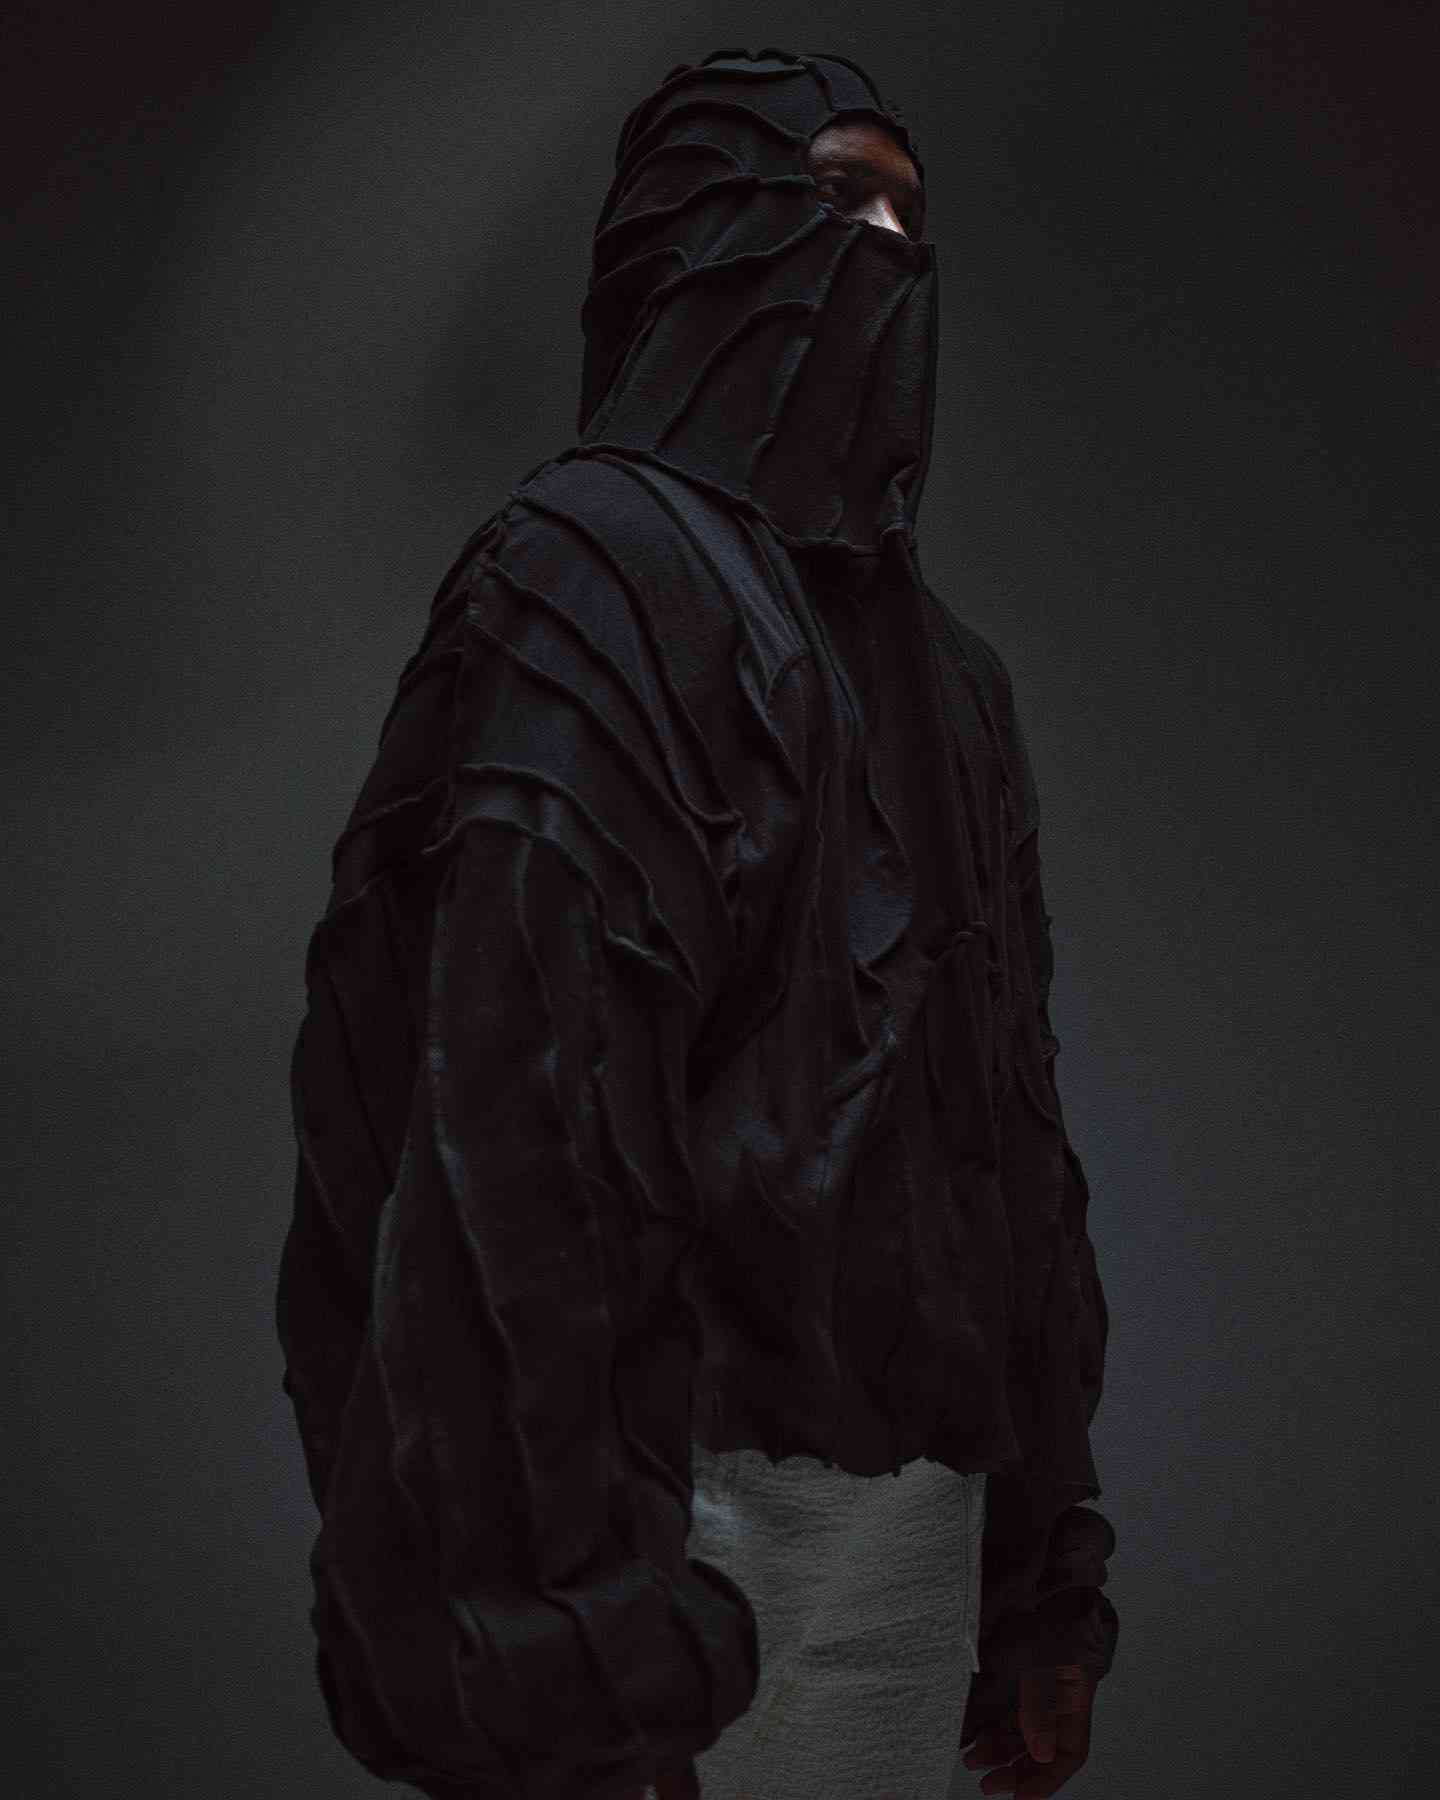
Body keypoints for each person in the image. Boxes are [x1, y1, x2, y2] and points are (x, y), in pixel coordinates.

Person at [275, 46, 1118, 1800]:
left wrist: (1040, 1586)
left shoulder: (953, 686)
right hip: (668, 1511)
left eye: (907, 211)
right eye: (832, 193)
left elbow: (1009, 1147)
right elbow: (500, 1123)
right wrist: (568, 1634)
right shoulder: (589, 575)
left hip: (912, 1535)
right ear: (685, 231)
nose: (883, 249)